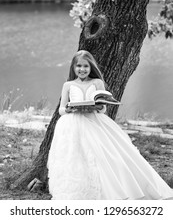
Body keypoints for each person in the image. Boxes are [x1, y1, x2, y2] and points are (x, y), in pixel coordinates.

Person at [47, 50, 173, 200]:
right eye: (78, 66)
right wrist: (68, 109)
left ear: (91, 67)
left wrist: (97, 107)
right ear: (73, 67)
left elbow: (103, 108)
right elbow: (61, 109)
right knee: (76, 157)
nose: (82, 69)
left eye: (86, 66)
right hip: (74, 124)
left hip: (94, 121)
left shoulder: (97, 83)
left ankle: (111, 189)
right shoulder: (68, 85)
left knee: (103, 156)